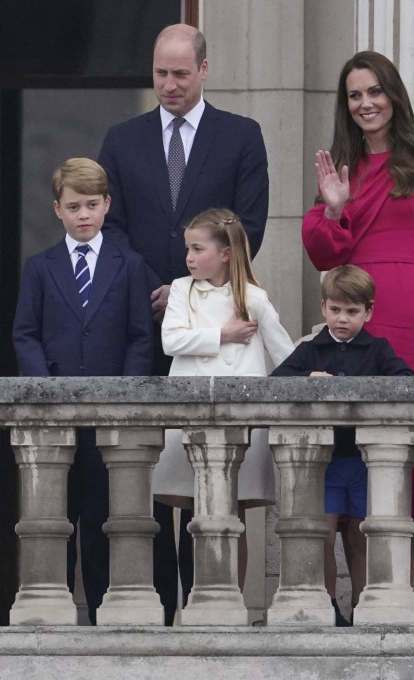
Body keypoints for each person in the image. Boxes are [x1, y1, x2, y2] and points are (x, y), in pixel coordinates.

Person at [97, 23, 269, 622]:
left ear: (204, 70)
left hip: (216, 335)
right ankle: (157, 604)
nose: (167, 84)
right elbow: (109, 227)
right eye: (159, 73)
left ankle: (208, 601)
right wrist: (159, 288)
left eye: (179, 73)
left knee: (211, 474)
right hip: (144, 324)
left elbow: (249, 223)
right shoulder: (122, 138)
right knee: (150, 475)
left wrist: (194, 286)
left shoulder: (240, 136)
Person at [302, 51, 414, 583]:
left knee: (411, 454)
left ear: (393, 95)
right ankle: (355, 601)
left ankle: (392, 592)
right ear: (345, 104)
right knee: (352, 453)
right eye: (355, 95)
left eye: (374, 91)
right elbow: (325, 256)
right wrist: (333, 207)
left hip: (404, 312)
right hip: (351, 314)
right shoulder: (340, 166)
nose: (366, 103)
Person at [12, 158, 153, 624]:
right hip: (55, 415)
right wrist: (45, 390)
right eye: (74, 206)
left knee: (100, 518)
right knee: (53, 520)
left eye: (92, 205)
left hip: (109, 416)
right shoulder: (40, 267)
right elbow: (25, 333)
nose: (84, 215)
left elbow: (139, 335)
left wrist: (126, 395)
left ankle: (99, 615)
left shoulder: (129, 266)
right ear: (57, 210)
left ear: (107, 205)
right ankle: (50, 615)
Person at [155, 208, 293, 603]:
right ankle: (190, 604)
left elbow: (284, 355)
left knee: (235, 516)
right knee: (191, 514)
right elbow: (172, 341)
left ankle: (232, 600)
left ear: (226, 252)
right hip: (187, 414)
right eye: (188, 249)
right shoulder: (181, 289)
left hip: (241, 420)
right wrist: (224, 334)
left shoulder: (254, 297)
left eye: (198, 249)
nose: (189, 257)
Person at [272, 265, 414, 626]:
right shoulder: (311, 348)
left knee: (360, 535)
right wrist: (308, 378)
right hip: (326, 461)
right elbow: (275, 382)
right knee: (321, 533)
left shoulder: (378, 349)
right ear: (323, 308)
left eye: (352, 312)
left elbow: (406, 382)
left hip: (366, 461)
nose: (342, 318)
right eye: (335, 310)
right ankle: (329, 606)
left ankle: (363, 606)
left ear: (368, 312)